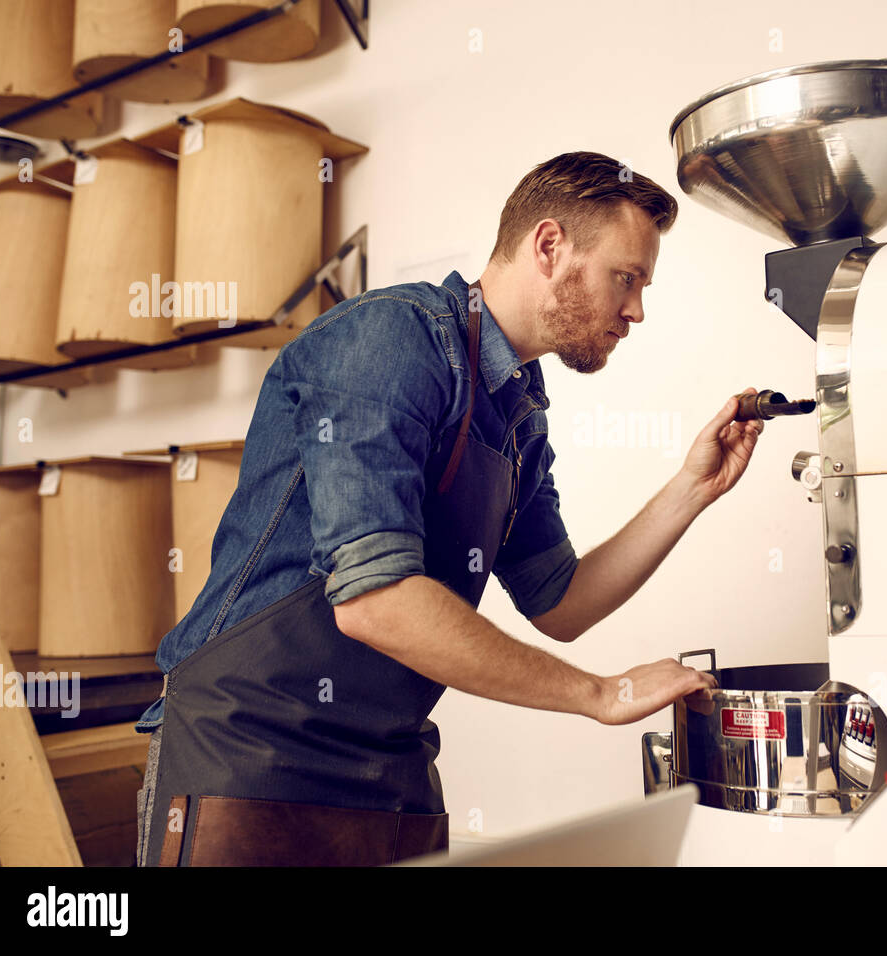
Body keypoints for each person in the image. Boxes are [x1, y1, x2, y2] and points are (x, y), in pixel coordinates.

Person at [134, 151, 765, 866]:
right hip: (250, 754)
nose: (636, 311)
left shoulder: (522, 411)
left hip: (391, 768)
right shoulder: (385, 340)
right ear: (550, 246)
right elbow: (374, 602)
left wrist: (694, 487)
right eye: (627, 278)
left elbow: (560, 601)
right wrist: (600, 692)